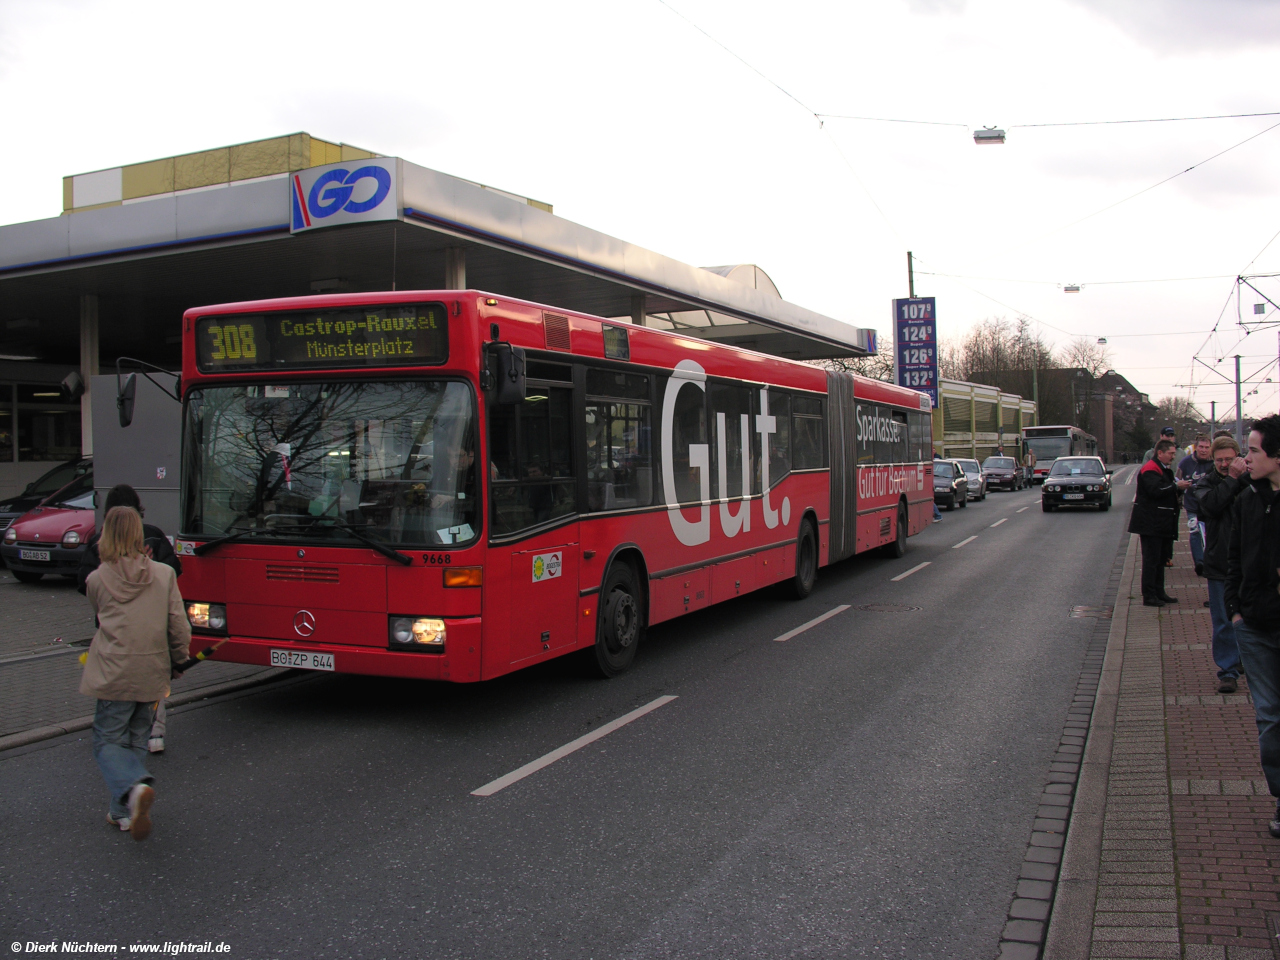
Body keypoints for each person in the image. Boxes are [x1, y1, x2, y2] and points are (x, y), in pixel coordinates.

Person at [81, 506, 191, 841]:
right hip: (152, 670)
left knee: (107, 741)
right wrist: (178, 660)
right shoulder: (163, 575)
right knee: (136, 738)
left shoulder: (97, 579)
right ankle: (122, 812)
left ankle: (134, 789)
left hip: (114, 672)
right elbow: (178, 626)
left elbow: (101, 618)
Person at [78, 484, 182, 754]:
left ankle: (122, 761)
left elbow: (85, 585)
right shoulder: (155, 538)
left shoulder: (97, 550)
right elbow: (174, 573)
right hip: (152, 635)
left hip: (114, 639)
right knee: (151, 681)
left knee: (114, 696)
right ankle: (154, 735)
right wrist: (179, 657)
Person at [1224, 413, 1280, 839]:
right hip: (1256, 624)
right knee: (1269, 716)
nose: (1248, 458)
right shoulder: (1248, 499)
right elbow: (1234, 555)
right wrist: (1236, 609)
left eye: (1255, 450)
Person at [1193, 436, 1246, 693]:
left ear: (1238, 455)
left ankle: (1247, 659)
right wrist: (1233, 480)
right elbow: (1211, 506)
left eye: (1229, 459)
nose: (1225, 464)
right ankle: (1228, 670)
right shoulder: (1205, 484)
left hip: (1251, 561)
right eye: (1219, 460)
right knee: (1223, 620)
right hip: (1219, 561)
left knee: (1254, 615)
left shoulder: (1253, 480)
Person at [1128, 438, 1191, 606]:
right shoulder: (1150, 469)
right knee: (1151, 559)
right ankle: (1149, 595)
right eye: (1170, 453)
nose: (1173, 457)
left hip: (1160, 521)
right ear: (1160, 453)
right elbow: (1156, 491)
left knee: (1161, 558)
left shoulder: (1162, 468)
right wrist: (1176, 487)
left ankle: (1159, 591)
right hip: (1151, 522)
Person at [1177, 435, 1214, 575]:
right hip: (1192, 504)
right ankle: (1199, 563)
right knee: (1195, 532)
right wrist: (1180, 486)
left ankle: (1210, 560)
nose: (1204, 450)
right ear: (1196, 447)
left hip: (1210, 505)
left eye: (1206, 447)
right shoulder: (1186, 463)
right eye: (1201, 447)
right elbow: (1176, 480)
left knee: (1210, 533)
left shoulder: (1214, 462)